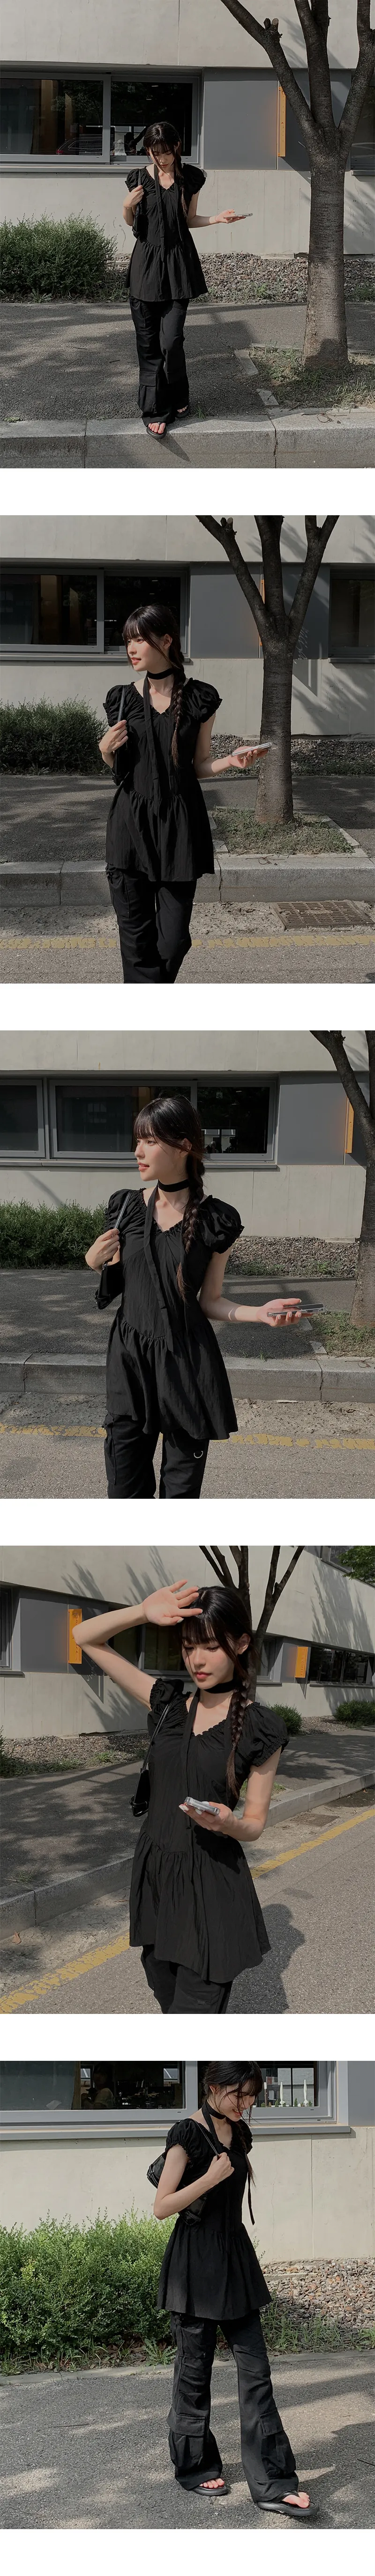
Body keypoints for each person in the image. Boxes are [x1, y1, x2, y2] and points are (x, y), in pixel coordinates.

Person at [73, 1577, 290, 2014]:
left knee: (194, 2010)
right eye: (189, 1647)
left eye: (211, 1646)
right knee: (163, 1989)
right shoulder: (168, 1705)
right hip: (157, 1874)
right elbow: (85, 1638)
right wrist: (142, 1611)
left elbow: (255, 1825)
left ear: (241, 1644)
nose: (197, 1660)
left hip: (211, 1883)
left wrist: (230, 1823)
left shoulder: (261, 1727)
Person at [84, 1093, 303, 1500]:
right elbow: (122, 1280)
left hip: (187, 1365)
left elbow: (210, 1300)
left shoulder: (216, 1220)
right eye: (138, 1140)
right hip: (131, 1362)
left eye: (150, 1141)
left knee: (181, 1496)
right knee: (124, 1489)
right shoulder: (125, 1207)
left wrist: (259, 1313)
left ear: (184, 1146)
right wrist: (93, 1261)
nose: (137, 1151)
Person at [152, 2063, 314, 2513]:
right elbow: (161, 2206)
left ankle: (273, 2481)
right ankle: (195, 2468)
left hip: (235, 2261)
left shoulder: (240, 2132)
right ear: (213, 2087)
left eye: (252, 2095)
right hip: (194, 2267)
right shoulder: (186, 2134)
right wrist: (209, 2178)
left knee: (257, 2373)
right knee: (194, 2373)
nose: (247, 2103)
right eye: (239, 2094)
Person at [99, 600, 268, 984]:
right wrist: (105, 751)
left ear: (166, 641)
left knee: (174, 941)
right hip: (130, 828)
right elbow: (121, 771)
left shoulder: (199, 698)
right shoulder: (122, 698)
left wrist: (232, 761)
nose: (131, 649)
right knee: (136, 941)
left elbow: (199, 765)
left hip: (180, 827)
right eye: (128, 641)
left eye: (140, 640)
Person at [123, 118, 250, 435]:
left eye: (166, 152)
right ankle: (156, 409)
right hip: (145, 266)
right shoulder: (138, 178)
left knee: (172, 341)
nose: (161, 158)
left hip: (178, 265)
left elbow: (189, 219)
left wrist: (217, 219)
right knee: (148, 343)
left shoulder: (190, 178)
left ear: (177, 147)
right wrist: (126, 205)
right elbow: (131, 221)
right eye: (155, 152)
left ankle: (179, 394)